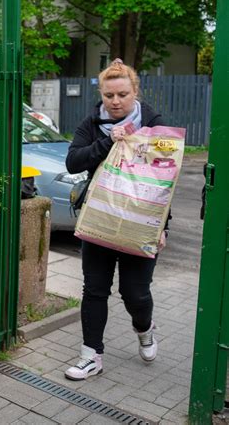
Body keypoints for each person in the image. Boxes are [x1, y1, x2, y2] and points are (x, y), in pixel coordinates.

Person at [64, 58, 169, 381]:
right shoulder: (93, 123)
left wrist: (162, 226)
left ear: (135, 91)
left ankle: (145, 328)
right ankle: (91, 355)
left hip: (139, 223)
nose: (115, 102)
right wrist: (109, 140)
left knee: (134, 292)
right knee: (94, 289)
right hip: (100, 219)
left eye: (122, 94)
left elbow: (166, 178)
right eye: (109, 95)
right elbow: (73, 162)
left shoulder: (154, 123)